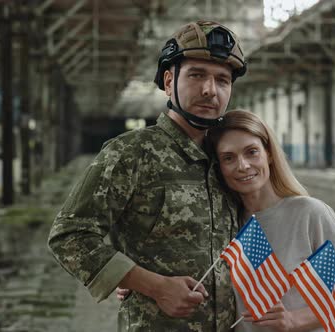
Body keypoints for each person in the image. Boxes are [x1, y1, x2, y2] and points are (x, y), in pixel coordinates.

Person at [48, 21, 247, 332]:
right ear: (169, 81)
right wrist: (153, 285)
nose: (211, 90)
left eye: (222, 80)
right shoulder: (130, 153)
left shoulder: (231, 157)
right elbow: (70, 236)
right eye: (197, 75)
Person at [119, 110, 335, 330]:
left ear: (268, 154)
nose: (243, 165)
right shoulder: (222, 221)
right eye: (229, 158)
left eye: (252, 152)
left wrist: (293, 320)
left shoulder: (308, 214)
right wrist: (144, 284)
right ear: (218, 167)